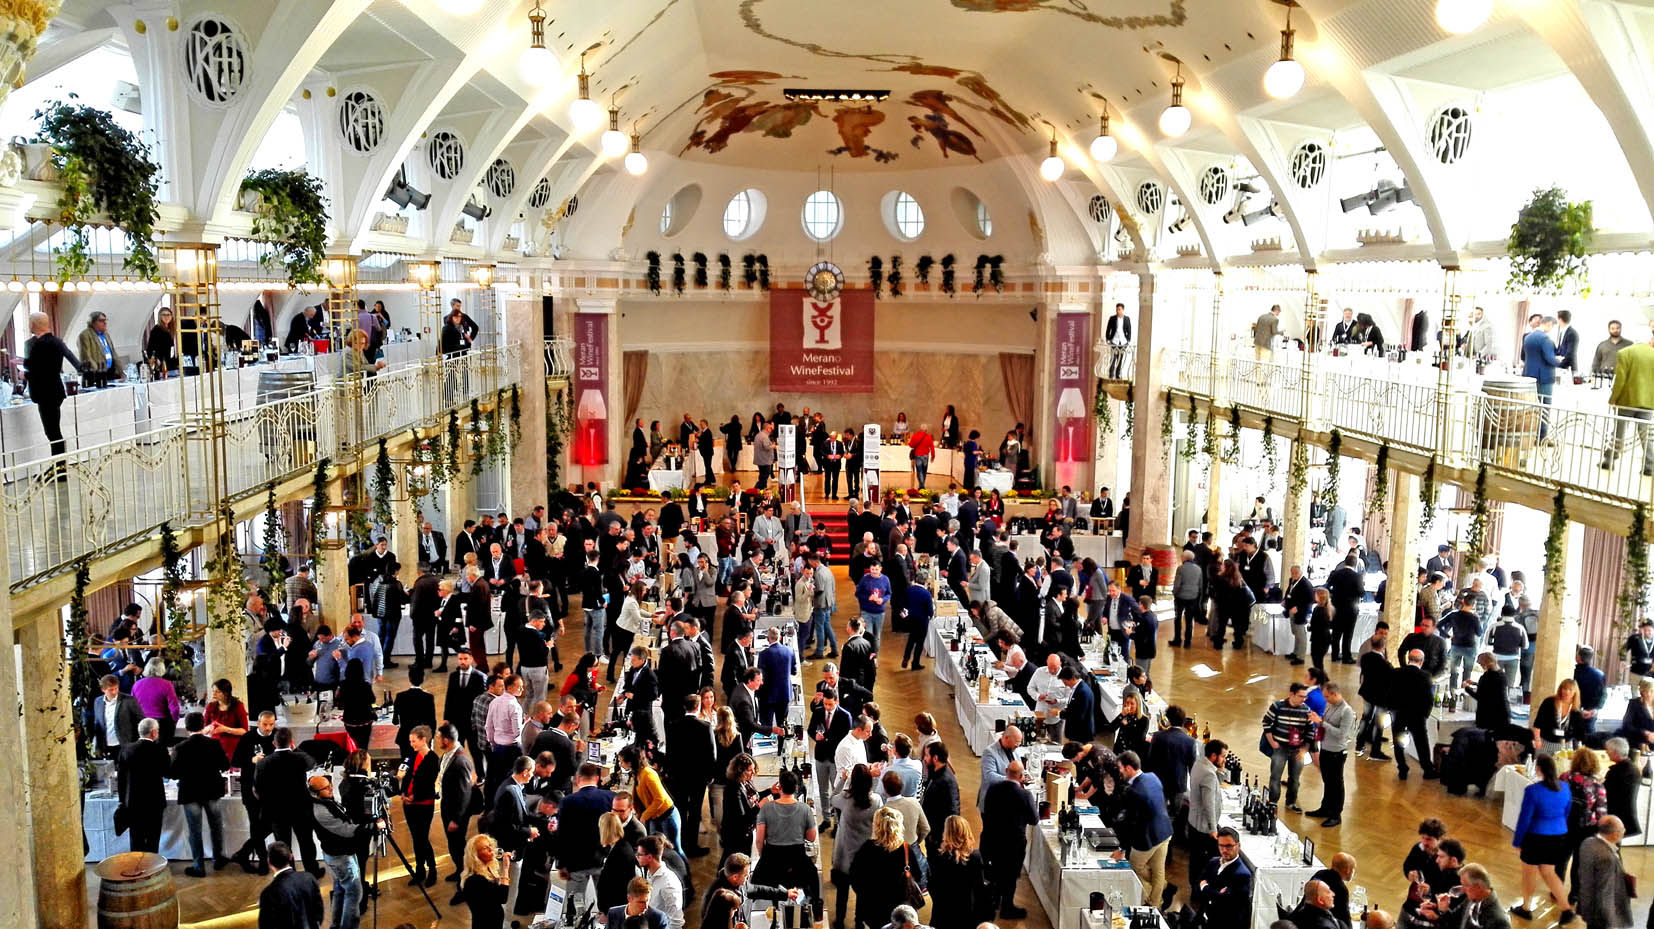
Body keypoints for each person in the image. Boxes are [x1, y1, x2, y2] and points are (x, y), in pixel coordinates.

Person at [1510, 753, 1576, 925]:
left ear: (1538, 769)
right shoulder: (1565, 787)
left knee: (1529, 872)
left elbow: (1525, 818)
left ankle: (1525, 907)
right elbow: (1567, 811)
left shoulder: (1532, 791)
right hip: (1558, 835)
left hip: (1536, 837)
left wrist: (1518, 841)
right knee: (1549, 872)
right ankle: (1566, 908)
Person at [308, 774, 376, 929]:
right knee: (354, 893)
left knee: (340, 891)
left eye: (329, 784)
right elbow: (346, 830)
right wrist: (371, 828)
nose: (331, 788)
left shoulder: (325, 802)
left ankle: (336, 925)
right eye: (326, 788)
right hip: (340, 856)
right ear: (316, 793)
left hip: (338, 853)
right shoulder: (321, 811)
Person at [171, 711, 232, 875]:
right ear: (203, 724)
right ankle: (218, 859)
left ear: (186, 728)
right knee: (216, 827)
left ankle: (199, 866)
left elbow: (174, 773)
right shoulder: (213, 744)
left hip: (190, 792)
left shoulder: (180, 747)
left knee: (195, 830)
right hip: (211, 790)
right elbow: (225, 765)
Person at [257, 727, 322, 876]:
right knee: (306, 841)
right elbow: (312, 762)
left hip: (276, 810)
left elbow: (257, 788)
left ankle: (288, 872)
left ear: (274, 743)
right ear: (291, 742)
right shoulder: (299, 758)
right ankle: (312, 870)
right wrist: (296, 749)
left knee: (283, 844)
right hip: (300, 808)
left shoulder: (263, 763)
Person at [1114, 750, 1174, 909]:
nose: (1119, 772)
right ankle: (1156, 903)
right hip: (1165, 831)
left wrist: (1122, 849)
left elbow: (1130, 823)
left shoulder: (1135, 792)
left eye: (1120, 768)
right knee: (1158, 870)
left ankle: (1150, 894)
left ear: (1128, 768)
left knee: (1135, 866)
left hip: (1148, 836)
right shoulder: (1152, 777)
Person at [980, 759, 1037, 919]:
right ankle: (1007, 907)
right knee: (1010, 876)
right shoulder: (1025, 795)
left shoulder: (992, 788)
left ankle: (993, 901)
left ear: (1006, 771)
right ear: (1021, 776)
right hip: (1014, 843)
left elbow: (986, 809)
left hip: (992, 838)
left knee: (995, 871)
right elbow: (1034, 819)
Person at [22, 310, 80, 459]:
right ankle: (58, 465)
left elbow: (37, 370)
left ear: (34, 324)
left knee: (52, 432)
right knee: (54, 430)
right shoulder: (57, 342)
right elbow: (74, 361)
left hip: (45, 393)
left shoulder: (38, 345)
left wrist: (25, 374)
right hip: (56, 390)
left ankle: (59, 467)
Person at [662, 695, 714, 857]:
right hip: (698, 777)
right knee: (695, 811)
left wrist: (669, 773)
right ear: (697, 707)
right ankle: (692, 845)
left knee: (680, 810)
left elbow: (669, 753)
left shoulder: (673, 726)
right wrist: (709, 775)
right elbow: (711, 754)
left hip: (679, 776)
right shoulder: (705, 726)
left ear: (685, 707)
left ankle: (679, 844)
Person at [850, 807, 919, 929]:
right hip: (899, 910)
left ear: (877, 826)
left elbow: (855, 877)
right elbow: (917, 876)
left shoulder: (867, 849)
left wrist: (867, 894)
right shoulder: (906, 850)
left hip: (873, 908)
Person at [1262, 683, 1318, 811]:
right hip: (1280, 748)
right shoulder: (1277, 706)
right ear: (1291, 694)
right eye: (1301, 696)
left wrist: (1305, 749)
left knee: (1295, 778)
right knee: (1275, 776)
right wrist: (1272, 742)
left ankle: (1291, 803)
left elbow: (1310, 731)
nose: (1304, 699)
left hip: (1297, 750)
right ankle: (1273, 802)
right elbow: (1266, 722)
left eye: (1305, 697)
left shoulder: (1306, 710)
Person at [117, 717, 169, 854]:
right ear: (153, 733)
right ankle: (151, 869)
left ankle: (137, 868)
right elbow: (167, 772)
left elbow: (121, 779)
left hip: (133, 801)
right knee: (153, 839)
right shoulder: (160, 750)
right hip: (154, 801)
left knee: (136, 837)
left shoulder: (126, 750)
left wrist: (122, 800)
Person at [1576, 817, 1632, 929]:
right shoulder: (1607, 857)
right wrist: (1610, 921)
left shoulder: (1588, 843)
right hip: (1600, 915)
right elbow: (1605, 892)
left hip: (1588, 905)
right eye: (1622, 829)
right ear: (1615, 834)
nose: (1624, 831)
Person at [1310, 682, 1353, 827]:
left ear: (1335, 694)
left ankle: (1336, 815)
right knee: (1327, 782)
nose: (1325, 699)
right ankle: (1325, 808)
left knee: (1336, 785)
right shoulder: (1331, 706)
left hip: (1337, 753)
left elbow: (1342, 734)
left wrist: (1321, 723)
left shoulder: (1346, 711)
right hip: (1326, 749)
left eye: (1327, 696)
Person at [1392, 650, 1439, 781]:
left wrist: (1392, 710)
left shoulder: (1396, 673)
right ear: (1421, 661)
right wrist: (1426, 714)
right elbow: (1429, 698)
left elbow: (1390, 692)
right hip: (1417, 715)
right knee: (1421, 743)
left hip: (1399, 713)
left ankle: (1402, 769)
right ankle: (1427, 769)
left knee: (1398, 741)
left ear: (1408, 658)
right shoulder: (1425, 676)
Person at [1193, 827, 1252, 929]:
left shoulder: (1242, 874)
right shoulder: (1213, 862)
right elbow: (1197, 887)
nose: (1224, 850)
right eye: (1221, 846)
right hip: (1205, 917)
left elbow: (1224, 903)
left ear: (1238, 846)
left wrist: (1205, 887)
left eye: (1229, 846)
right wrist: (1215, 892)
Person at [257, 843, 323, 929]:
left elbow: (266, 925)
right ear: (291, 857)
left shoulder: (268, 893)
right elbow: (318, 910)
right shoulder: (309, 878)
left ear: (269, 863)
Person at [1188, 738, 1227, 877]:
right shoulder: (1209, 775)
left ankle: (1195, 887)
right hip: (1203, 827)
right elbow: (1208, 804)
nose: (1224, 760)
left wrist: (1221, 770)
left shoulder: (1199, 764)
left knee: (1194, 859)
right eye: (1223, 756)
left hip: (1193, 821)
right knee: (1203, 861)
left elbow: (1218, 780)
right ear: (1214, 756)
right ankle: (1200, 890)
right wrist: (1213, 829)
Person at [462, 833, 513, 929]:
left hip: (493, 921)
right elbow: (502, 897)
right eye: (485, 848)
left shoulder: (486, 869)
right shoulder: (475, 880)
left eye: (490, 845)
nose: (491, 849)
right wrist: (505, 869)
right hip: (486, 924)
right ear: (476, 855)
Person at [1523, 316, 1561, 439]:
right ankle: (1541, 436)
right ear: (1549, 324)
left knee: (1530, 408)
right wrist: (1560, 362)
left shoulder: (1528, 337)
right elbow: (1549, 358)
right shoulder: (1545, 339)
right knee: (1544, 407)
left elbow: (1524, 357)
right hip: (1544, 377)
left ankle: (1529, 434)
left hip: (1529, 374)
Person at [637, 835, 686, 929]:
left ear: (650, 857)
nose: (637, 857)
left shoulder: (669, 885)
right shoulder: (650, 873)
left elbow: (676, 923)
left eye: (639, 854)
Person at [91, 674, 142, 758]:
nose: (114, 692)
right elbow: (97, 724)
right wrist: (98, 747)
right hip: (106, 746)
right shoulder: (98, 702)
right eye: (111, 690)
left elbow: (140, 720)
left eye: (116, 688)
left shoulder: (129, 700)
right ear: (103, 690)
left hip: (126, 745)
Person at [1533, 679, 1587, 754]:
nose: (1567, 692)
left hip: (1565, 747)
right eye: (1565, 689)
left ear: (1575, 692)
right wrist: (1537, 740)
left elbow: (1580, 734)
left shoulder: (1576, 711)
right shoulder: (1549, 702)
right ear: (1560, 689)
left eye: (1570, 690)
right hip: (1545, 743)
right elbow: (1537, 724)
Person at [1603, 738, 1642, 839]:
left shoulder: (1616, 772)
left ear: (1615, 752)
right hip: (1627, 816)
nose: (1606, 752)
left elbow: (1604, 792)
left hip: (1616, 817)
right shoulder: (1633, 769)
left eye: (1608, 750)